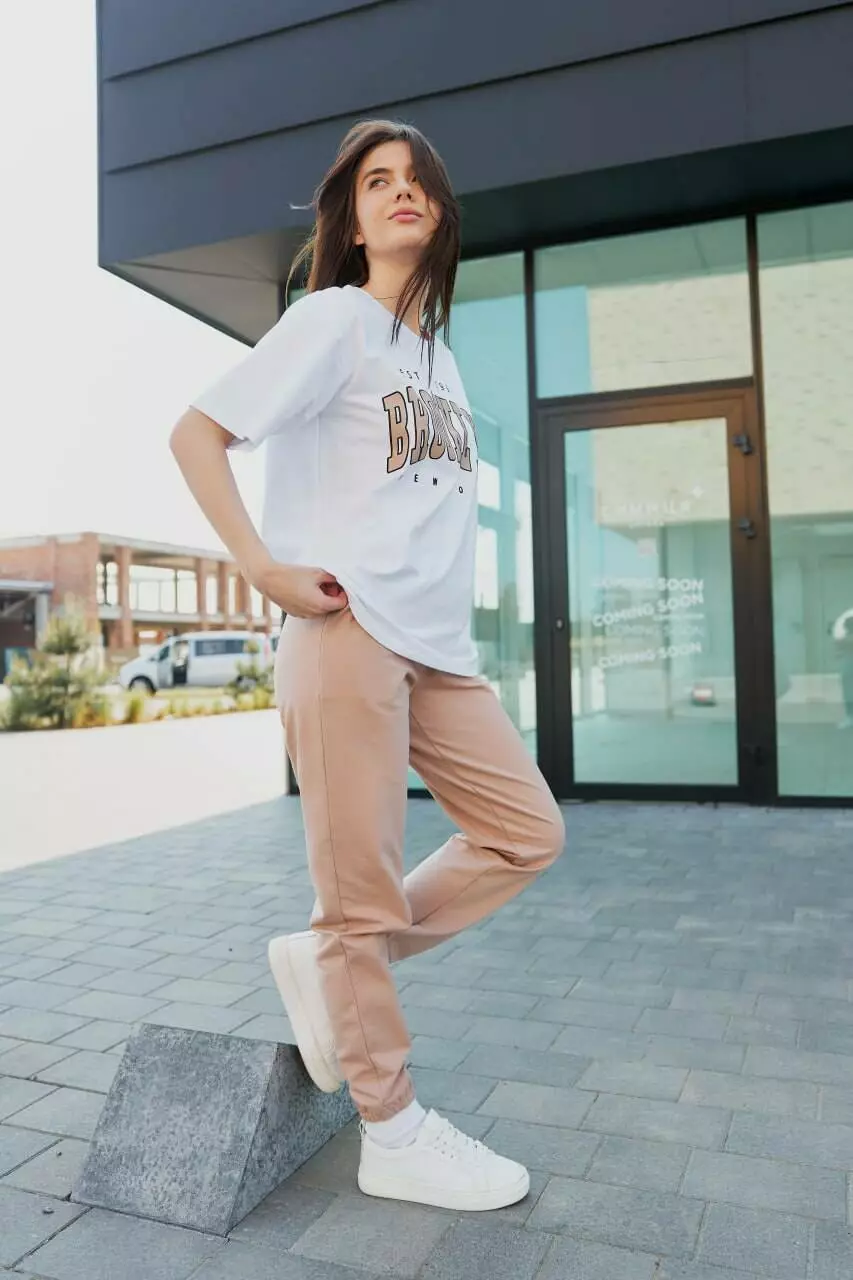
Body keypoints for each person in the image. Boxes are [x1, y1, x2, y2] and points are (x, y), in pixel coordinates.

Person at [170, 119, 565, 1212]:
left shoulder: (437, 358)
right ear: (348, 219)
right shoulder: (332, 320)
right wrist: (262, 566)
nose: (399, 192)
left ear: (439, 211)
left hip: (434, 650)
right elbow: (197, 434)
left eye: (416, 180)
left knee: (525, 832)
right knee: (354, 898)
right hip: (347, 632)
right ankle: (390, 1128)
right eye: (376, 181)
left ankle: (333, 958)